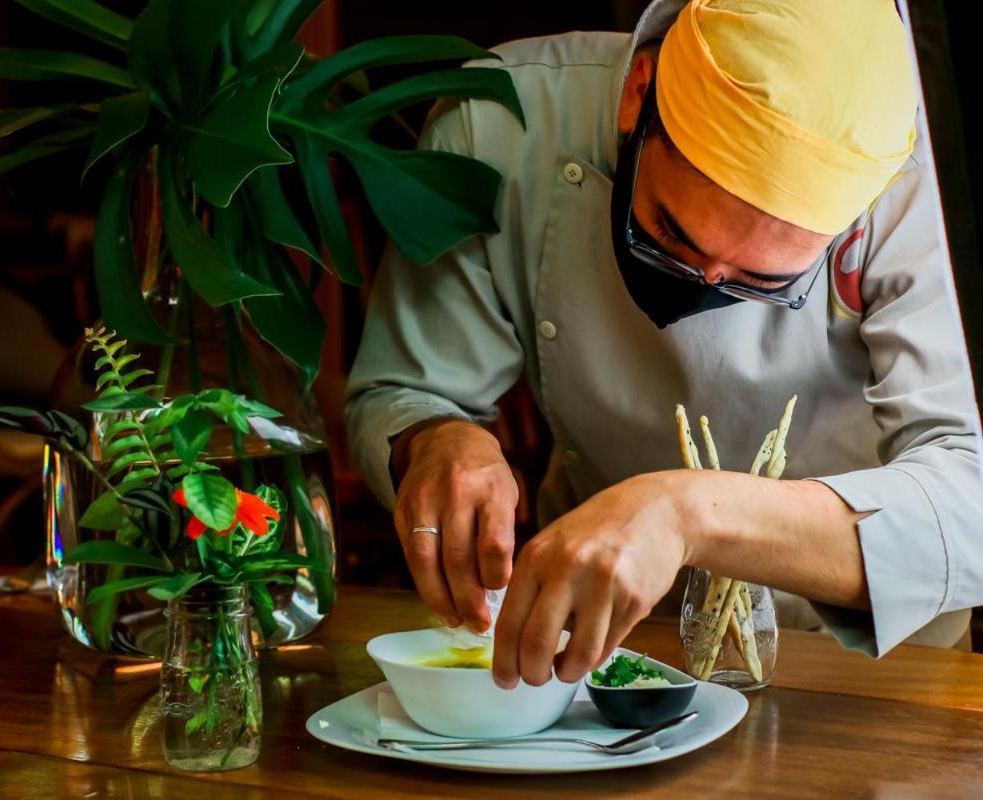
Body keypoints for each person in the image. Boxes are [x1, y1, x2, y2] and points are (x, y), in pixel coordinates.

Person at [345, 0, 983, 689]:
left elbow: (967, 504)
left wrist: (688, 514)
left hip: (873, 669)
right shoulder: (502, 122)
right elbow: (403, 391)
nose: (704, 284)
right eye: (671, 236)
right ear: (638, 93)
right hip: (600, 646)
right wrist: (435, 439)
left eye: (762, 281)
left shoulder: (909, 187)